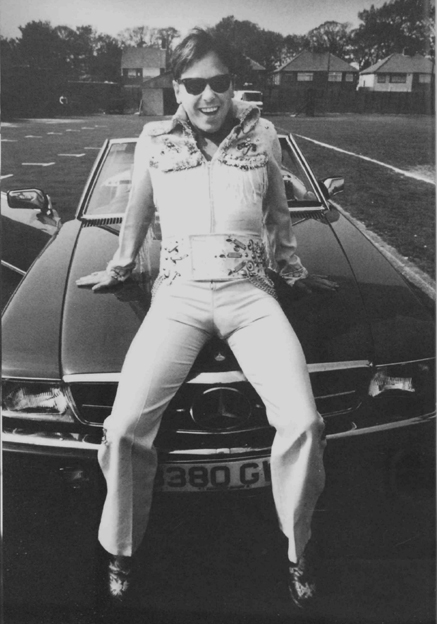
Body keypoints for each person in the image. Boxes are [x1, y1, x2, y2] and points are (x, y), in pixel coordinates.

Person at [77, 28, 334, 610]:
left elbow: (278, 214)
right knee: (121, 430)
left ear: (233, 83)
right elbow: (136, 215)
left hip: (250, 296)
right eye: (194, 85)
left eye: (220, 83)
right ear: (176, 87)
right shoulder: (153, 139)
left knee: (304, 422)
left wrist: (291, 270)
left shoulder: (262, 132)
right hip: (179, 296)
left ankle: (299, 549)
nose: (209, 96)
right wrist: (120, 267)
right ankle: (120, 549)